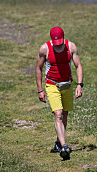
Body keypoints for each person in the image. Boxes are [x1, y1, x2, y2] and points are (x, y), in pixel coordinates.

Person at [35, 26, 83, 160]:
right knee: (58, 114)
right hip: (52, 84)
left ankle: (58, 143)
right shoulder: (44, 49)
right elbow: (38, 69)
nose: (58, 45)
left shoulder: (71, 47)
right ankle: (64, 147)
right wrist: (40, 90)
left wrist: (79, 85)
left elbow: (78, 66)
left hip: (67, 83)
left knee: (65, 114)